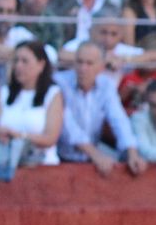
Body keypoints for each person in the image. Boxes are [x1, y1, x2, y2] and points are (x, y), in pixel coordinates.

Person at [55, 40, 147, 174]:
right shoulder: (59, 82)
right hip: (60, 156)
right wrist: (95, 155)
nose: (83, 68)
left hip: (91, 156)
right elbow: (67, 126)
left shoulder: (106, 85)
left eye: (89, 63)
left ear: (101, 66)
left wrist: (132, 152)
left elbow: (119, 119)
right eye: (79, 62)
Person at [0, 39, 65, 166]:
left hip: (41, 165)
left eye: (25, 61)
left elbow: (50, 138)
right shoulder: (5, 92)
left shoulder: (53, 93)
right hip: (5, 162)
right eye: (16, 61)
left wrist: (19, 136)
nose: (18, 66)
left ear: (41, 65)